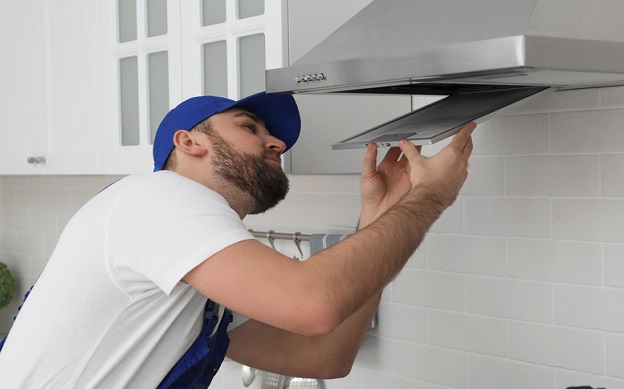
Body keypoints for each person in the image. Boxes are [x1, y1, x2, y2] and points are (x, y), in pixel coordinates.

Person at [0, 91, 475, 387]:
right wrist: (430, 197)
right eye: (250, 127)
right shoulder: (159, 196)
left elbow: (324, 356)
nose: (278, 144)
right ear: (189, 143)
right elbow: (313, 303)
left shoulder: (197, 260)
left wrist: (379, 214)